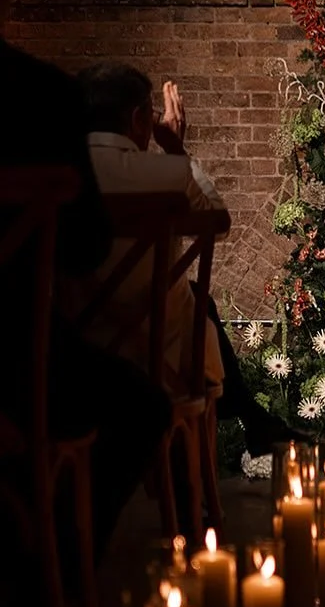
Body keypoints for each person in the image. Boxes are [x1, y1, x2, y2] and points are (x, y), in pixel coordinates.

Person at [0, 0, 171, 585]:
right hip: (12, 364)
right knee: (141, 405)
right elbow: (81, 249)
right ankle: (51, 587)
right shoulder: (38, 95)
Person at [67, 62, 294, 457]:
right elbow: (218, 224)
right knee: (195, 303)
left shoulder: (58, 177)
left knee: (194, 298)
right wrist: (175, 150)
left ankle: (252, 421)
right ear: (139, 119)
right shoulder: (168, 173)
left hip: (74, 355)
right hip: (164, 356)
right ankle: (230, 438)